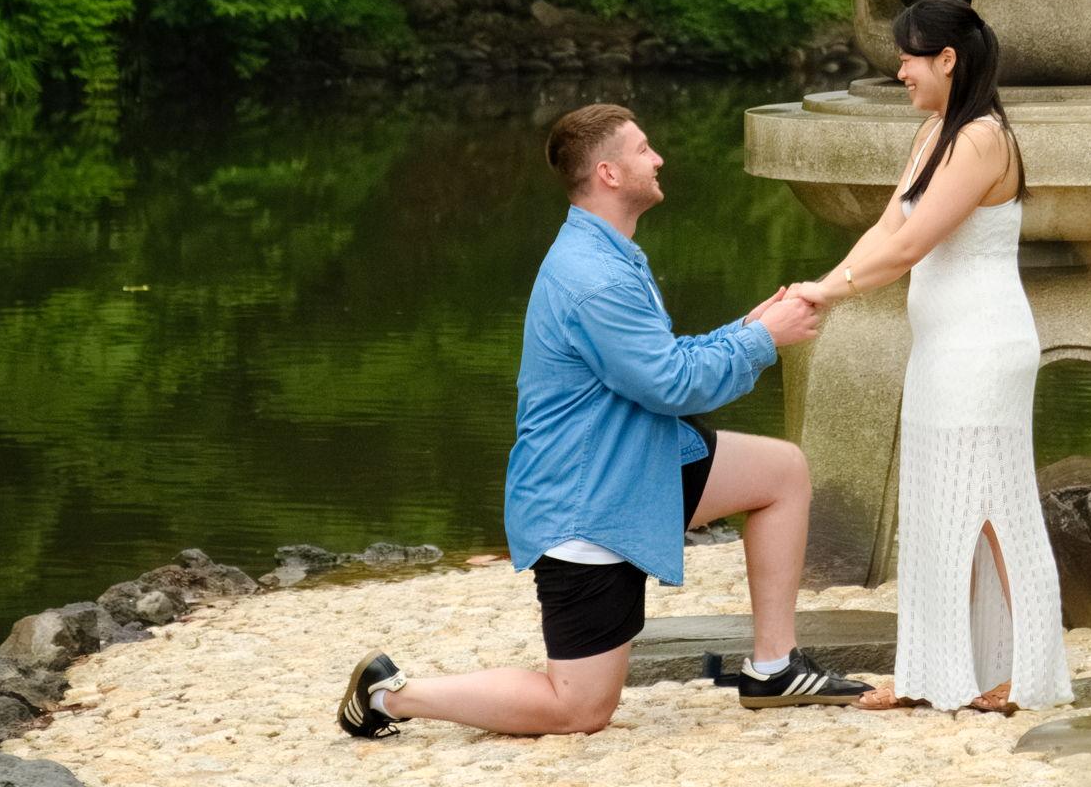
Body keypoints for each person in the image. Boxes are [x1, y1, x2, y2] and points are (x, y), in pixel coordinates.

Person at [336, 102, 869, 738]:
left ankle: (773, 669)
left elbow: (655, 362)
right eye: (644, 148)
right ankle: (390, 694)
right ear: (611, 174)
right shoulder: (594, 276)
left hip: (638, 464)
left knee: (782, 471)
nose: (659, 157)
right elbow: (670, 383)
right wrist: (762, 343)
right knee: (581, 708)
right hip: (586, 503)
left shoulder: (607, 252)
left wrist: (748, 328)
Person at [792, 0, 1073, 714]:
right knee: (935, 505)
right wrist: (821, 288)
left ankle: (1029, 675)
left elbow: (916, 245)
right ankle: (931, 674)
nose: (900, 69)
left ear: (948, 58)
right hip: (942, 349)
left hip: (985, 349)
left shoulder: (982, 139)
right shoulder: (933, 135)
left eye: (911, 55)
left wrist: (835, 292)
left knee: (994, 508)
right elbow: (886, 227)